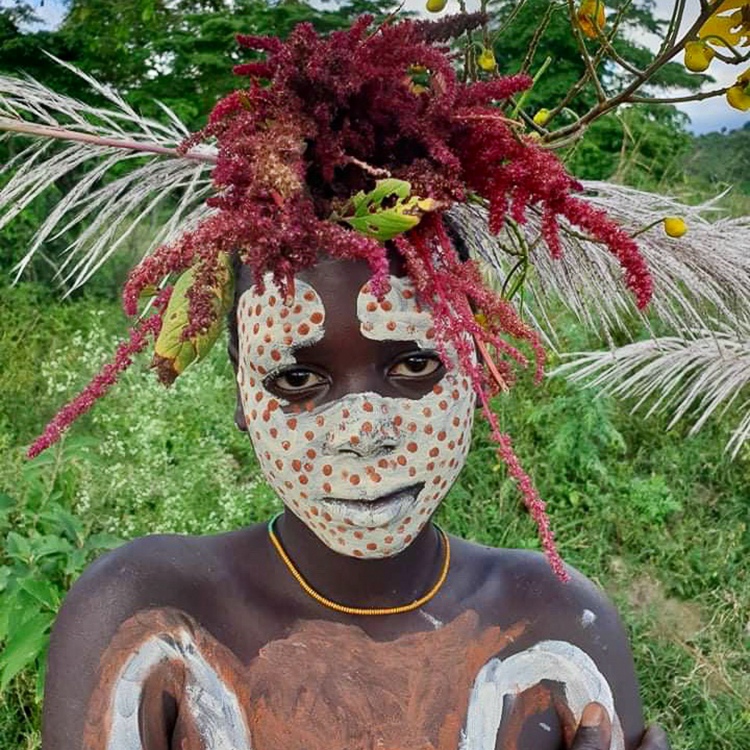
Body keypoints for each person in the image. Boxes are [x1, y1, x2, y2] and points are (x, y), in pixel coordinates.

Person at [9, 13, 670, 750]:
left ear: (476, 369)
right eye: (297, 378)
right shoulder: (146, 620)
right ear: (242, 397)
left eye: (414, 365)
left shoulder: (560, 627)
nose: (362, 432)